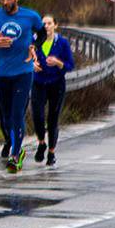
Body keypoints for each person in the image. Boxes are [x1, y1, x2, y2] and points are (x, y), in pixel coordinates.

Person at [0, 0, 45, 174]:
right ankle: (16, 146)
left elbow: (41, 33)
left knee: (17, 113)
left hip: (23, 72)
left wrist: (34, 45)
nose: (5, 2)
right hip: (2, 73)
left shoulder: (30, 16)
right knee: (6, 117)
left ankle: (15, 155)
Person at [31, 14, 74, 166]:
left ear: (55, 25)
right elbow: (24, 58)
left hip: (57, 84)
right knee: (37, 115)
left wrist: (57, 62)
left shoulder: (62, 43)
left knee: (53, 119)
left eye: (49, 23)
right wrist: (31, 66)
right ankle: (42, 142)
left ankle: (51, 153)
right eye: (44, 24)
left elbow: (70, 65)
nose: (46, 26)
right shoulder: (34, 41)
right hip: (38, 83)